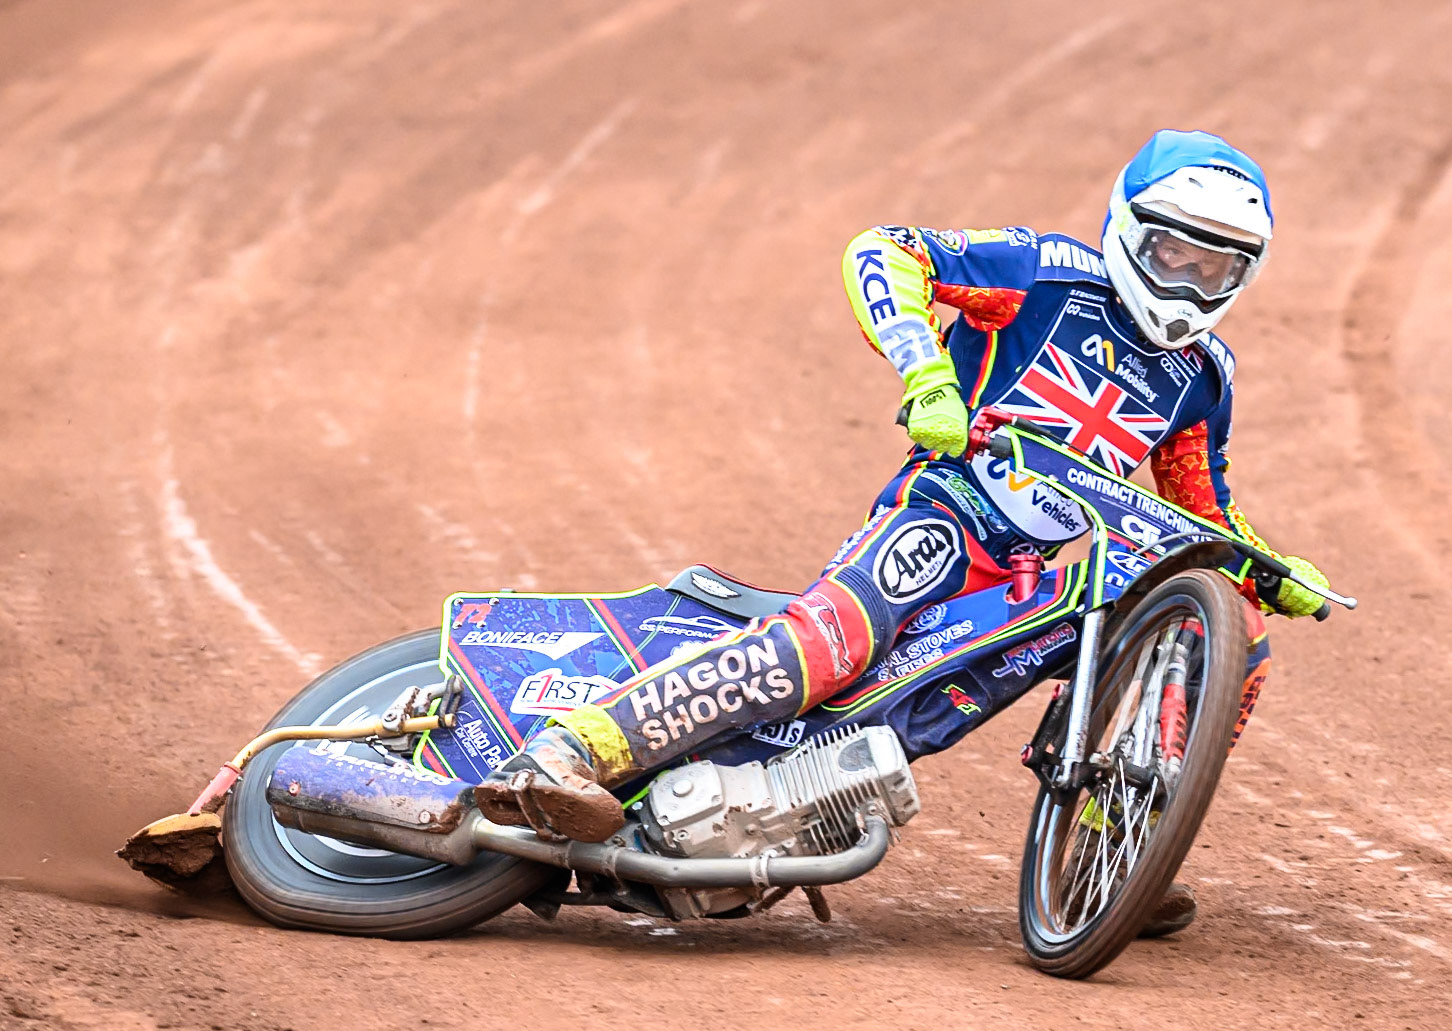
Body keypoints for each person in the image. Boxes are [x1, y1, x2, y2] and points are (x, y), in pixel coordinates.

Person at [476, 130, 1328, 931]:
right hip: (942, 511)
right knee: (828, 648)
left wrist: (1267, 567)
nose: (1188, 278)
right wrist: (927, 373)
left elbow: (1199, 510)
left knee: (933, 715)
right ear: (1128, 230)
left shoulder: (1204, 377)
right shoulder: (1044, 272)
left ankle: (1118, 843)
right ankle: (567, 750)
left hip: (1031, 574)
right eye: (1173, 251)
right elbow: (884, 250)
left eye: (1216, 265)